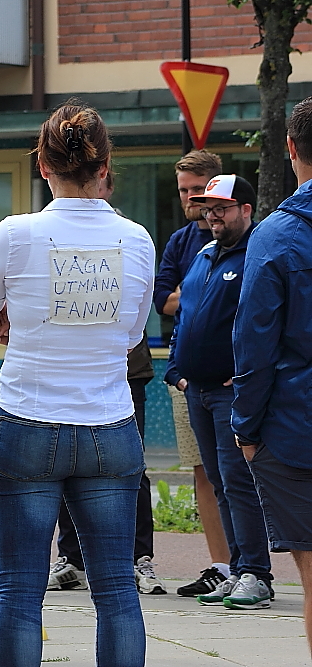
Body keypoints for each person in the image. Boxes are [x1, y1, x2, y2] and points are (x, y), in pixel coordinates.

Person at [0, 102, 155, 667]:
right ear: (104, 166)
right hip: (110, 424)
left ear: (43, 166)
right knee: (117, 590)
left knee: (20, 592)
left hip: (26, 416)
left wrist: (7, 326)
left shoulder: (17, 233)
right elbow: (131, 335)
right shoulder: (136, 239)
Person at [47, 170, 165, 596]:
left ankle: (138, 558)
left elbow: (142, 315)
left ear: (107, 186)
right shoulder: (50, 232)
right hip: (65, 375)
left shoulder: (130, 237)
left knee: (131, 467)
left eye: (96, 183)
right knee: (62, 461)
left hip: (124, 372)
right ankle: (73, 559)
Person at [165, 174, 274, 610]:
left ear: (246, 210)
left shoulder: (258, 256)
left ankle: (257, 575)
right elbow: (185, 314)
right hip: (197, 389)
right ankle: (236, 567)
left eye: (222, 208)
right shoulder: (205, 254)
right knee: (219, 483)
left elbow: (266, 321)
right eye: (208, 208)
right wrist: (176, 369)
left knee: (238, 481)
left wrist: (247, 373)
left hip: (232, 392)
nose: (212, 215)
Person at [234, 96, 312, 656]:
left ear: (289, 150)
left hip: (296, 428)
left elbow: (254, 346)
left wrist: (247, 429)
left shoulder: (275, 237)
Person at [153, 150, 232, 597]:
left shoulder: (242, 238)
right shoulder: (181, 242)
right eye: (182, 190)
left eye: (196, 189)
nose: (189, 198)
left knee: (242, 471)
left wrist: (195, 294)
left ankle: (250, 563)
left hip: (231, 379)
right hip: (185, 375)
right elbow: (163, 300)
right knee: (202, 470)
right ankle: (219, 564)